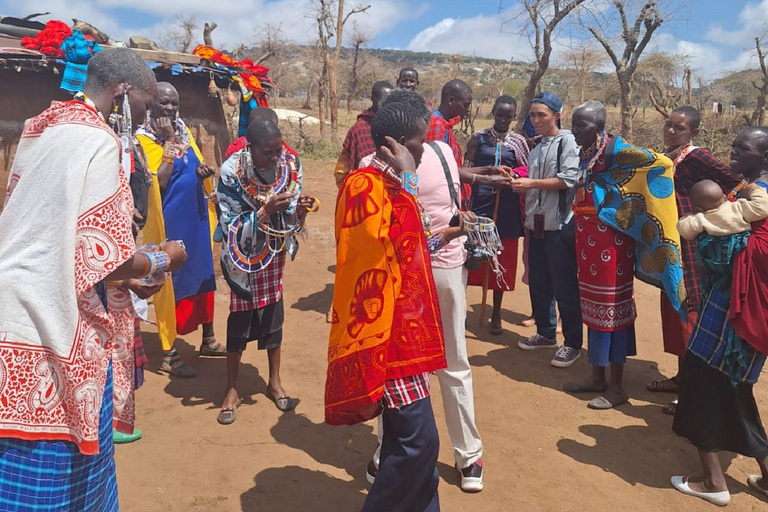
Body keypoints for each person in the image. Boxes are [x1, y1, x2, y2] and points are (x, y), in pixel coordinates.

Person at [0, 47, 188, 510]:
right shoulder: (100, 142)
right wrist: (160, 261)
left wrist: (126, 272)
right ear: (122, 94)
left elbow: (54, 235)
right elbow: (105, 261)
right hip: (54, 321)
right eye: (144, 105)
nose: (144, 116)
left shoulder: (40, 128)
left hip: (10, 313)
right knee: (59, 471)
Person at [326, 101, 447, 512]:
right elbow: (378, 255)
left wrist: (447, 235)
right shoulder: (364, 185)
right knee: (418, 443)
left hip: (409, 330)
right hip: (385, 334)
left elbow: (414, 250)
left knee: (407, 443)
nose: (426, 150)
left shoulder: (393, 185)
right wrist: (411, 182)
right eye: (420, 142)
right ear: (394, 144)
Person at [364, 89, 484, 492]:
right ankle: (391, 449)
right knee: (395, 362)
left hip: (440, 267)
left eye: (426, 134)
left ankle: (466, 453)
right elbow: (393, 236)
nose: (425, 144)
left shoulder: (441, 153)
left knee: (451, 358)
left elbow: (448, 204)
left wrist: (455, 226)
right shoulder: (370, 172)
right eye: (418, 137)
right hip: (399, 279)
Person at [562, 101, 685, 409]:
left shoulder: (617, 151)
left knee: (612, 310)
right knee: (593, 308)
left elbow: (661, 164)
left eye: (581, 126)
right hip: (588, 242)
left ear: (599, 128)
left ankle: (617, 387)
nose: (575, 131)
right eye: (573, 124)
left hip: (611, 245)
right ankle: (597, 376)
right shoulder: (588, 152)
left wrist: (621, 209)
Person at [671, 127, 768, 506]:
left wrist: (703, 227)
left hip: (732, 308)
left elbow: (724, 257)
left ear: (762, 155)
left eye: (742, 148)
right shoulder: (747, 192)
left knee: (701, 384)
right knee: (736, 390)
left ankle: (714, 482)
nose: (733, 151)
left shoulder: (756, 198)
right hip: (751, 309)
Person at [217, 118, 315, 424]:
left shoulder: (290, 164)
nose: (276, 158)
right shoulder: (232, 173)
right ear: (251, 148)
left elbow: (290, 215)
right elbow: (229, 224)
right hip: (242, 258)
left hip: (273, 253)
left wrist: (298, 211)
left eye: (278, 150)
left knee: (273, 313)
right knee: (240, 319)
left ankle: (274, 382)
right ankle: (232, 389)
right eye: (268, 152)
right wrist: (264, 211)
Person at [647, 106, 741, 415]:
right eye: (669, 125)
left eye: (680, 128)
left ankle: (692, 393)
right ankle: (681, 378)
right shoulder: (670, 155)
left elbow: (734, 182)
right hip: (671, 246)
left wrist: (710, 218)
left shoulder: (697, 157)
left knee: (690, 314)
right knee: (675, 312)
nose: (671, 131)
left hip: (691, 249)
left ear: (694, 133)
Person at [137, 82, 223, 379]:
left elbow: (196, 167)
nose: (171, 109)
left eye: (175, 104)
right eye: (164, 104)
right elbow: (158, 183)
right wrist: (171, 142)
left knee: (202, 277)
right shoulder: (144, 141)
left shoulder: (185, 131)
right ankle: (169, 354)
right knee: (170, 284)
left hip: (196, 218)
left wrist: (203, 175)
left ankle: (208, 339)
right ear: (151, 105)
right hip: (169, 224)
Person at [512, 92, 583, 368]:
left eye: (541, 115)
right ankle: (545, 333)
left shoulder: (567, 142)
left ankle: (573, 343)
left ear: (557, 115)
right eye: (532, 115)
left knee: (564, 286)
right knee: (539, 282)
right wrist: (520, 179)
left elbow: (568, 179)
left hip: (560, 225)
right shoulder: (538, 145)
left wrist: (531, 184)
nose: (536, 120)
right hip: (536, 224)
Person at [465, 95, 530, 335]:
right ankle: (462, 310)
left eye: (508, 115)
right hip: (480, 205)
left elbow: (527, 169)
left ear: (513, 117)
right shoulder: (478, 138)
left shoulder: (519, 142)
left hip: (507, 208)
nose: (503, 119)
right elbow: (466, 169)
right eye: (499, 114)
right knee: (473, 256)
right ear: (493, 112)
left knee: (501, 259)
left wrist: (511, 176)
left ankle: (496, 313)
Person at [334, 81, 393, 186]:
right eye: (382, 101)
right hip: (366, 191)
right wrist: (351, 193)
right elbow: (341, 172)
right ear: (372, 98)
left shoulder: (396, 126)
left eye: (390, 101)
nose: (386, 106)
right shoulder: (359, 129)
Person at [677, 179, 768, 237]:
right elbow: (762, 207)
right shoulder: (737, 208)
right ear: (725, 197)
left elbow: (683, 229)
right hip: (741, 256)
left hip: (716, 262)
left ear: (699, 209)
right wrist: (754, 189)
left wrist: (692, 215)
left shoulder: (700, 219)